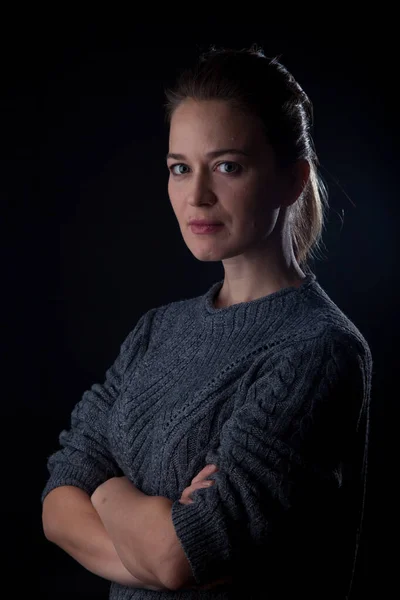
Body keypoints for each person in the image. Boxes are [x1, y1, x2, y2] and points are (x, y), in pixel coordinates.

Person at [41, 45, 372, 599]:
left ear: (292, 180)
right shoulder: (157, 331)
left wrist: (104, 489)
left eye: (227, 166)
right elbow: (57, 503)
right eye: (179, 168)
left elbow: (177, 556)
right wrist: (144, 525)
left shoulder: (317, 350)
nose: (196, 196)